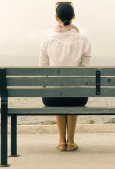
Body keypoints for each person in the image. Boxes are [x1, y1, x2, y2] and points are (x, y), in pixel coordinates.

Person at [39, 1, 91, 152]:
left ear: (57, 18)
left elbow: (43, 70)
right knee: (73, 91)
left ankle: (62, 141)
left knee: (57, 90)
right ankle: (71, 141)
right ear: (74, 17)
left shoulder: (47, 40)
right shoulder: (84, 40)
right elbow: (85, 71)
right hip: (78, 97)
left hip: (52, 98)